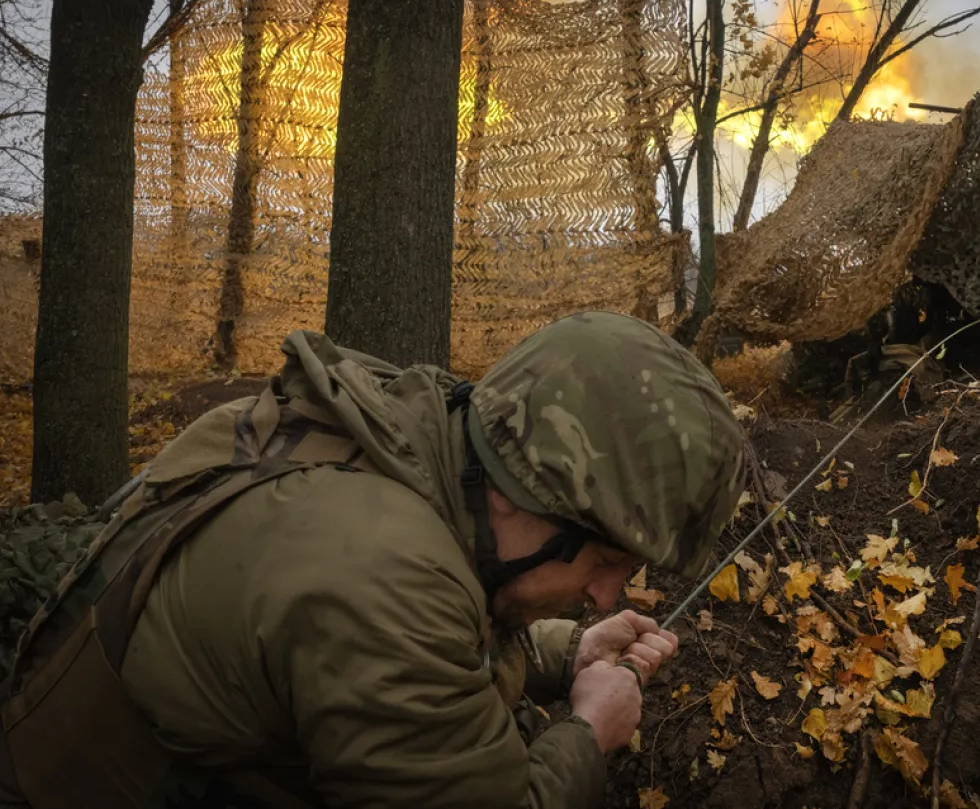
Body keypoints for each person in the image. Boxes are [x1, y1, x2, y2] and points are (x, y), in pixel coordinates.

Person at [0, 310, 748, 809]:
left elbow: (433, 629)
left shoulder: (388, 440)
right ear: (524, 495)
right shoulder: (382, 579)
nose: (606, 592)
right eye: (605, 560)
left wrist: (567, 651)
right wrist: (588, 733)